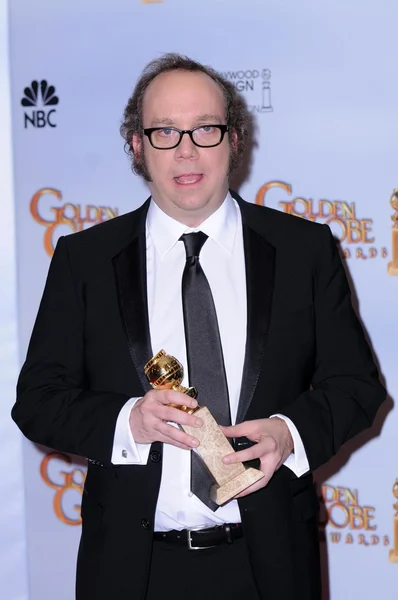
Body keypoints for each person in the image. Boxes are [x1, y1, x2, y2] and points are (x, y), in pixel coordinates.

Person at [12, 53, 386, 600]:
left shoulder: (304, 249)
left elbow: (356, 387)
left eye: (205, 129)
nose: (185, 149)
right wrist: (128, 422)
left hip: (270, 567)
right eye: (164, 131)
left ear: (234, 139)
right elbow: (38, 401)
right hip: (132, 572)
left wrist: (289, 432)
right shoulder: (84, 259)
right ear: (137, 145)